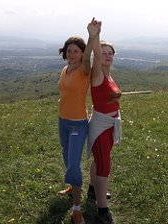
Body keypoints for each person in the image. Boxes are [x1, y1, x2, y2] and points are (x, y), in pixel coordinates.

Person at [57, 18, 101, 224]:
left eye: (76, 50)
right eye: (69, 50)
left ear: (82, 53)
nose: (72, 53)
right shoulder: (65, 70)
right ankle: (73, 186)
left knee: (73, 164)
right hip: (62, 121)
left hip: (77, 123)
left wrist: (92, 35)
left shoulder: (84, 70)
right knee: (67, 157)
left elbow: (88, 58)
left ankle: (77, 208)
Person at [86, 31, 122, 224]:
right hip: (101, 127)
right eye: (103, 53)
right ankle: (102, 211)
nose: (107, 55)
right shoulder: (98, 73)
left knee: (99, 161)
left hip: (109, 126)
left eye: (110, 53)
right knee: (104, 166)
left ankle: (93, 190)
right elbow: (97, 56)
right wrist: (95, 35)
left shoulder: (108, 75)